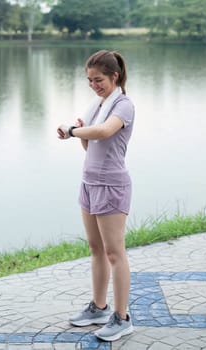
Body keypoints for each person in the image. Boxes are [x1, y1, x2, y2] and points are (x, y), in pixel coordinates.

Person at [57, 50, 135, 342]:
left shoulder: (123, 106)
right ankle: (99, 308)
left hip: (112, 185)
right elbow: (90, 145)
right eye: (89, 80)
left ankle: (122, 317)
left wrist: (75, 130)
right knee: (96, 248)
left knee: (115, 253)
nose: (94, 85)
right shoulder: (99, 104)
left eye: (99, 79)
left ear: (114, 76)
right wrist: (78, 133)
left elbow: (102, 132)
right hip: (89, 183)